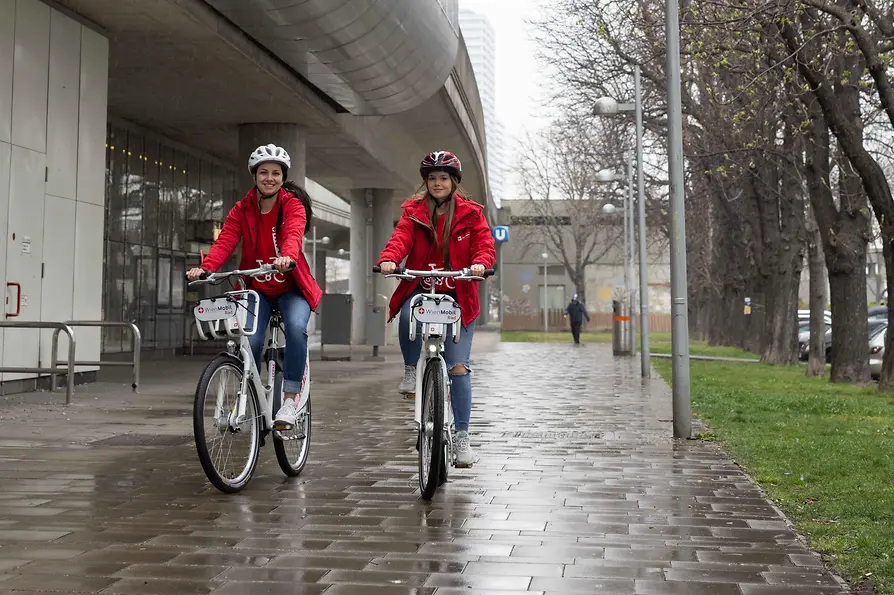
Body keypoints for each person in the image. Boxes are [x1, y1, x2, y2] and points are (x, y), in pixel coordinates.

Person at [187, 144, 322, 431]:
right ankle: (245, 400)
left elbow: (294, 232)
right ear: (254, 176)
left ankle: (290, 397)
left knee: (297, 328)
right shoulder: (242, 208)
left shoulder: (292, 205)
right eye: (263, 173)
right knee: (249, 341)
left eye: (275, 173)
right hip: (257, 290)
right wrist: (207, 268)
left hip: (291, 287)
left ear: (283, 177)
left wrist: (287, 256)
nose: (269, 178)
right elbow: (226, 240)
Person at [377, 150, 496, 468]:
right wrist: (390, 258)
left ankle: (461, 437)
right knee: (406, 313)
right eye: (432, 178)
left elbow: (484, 245)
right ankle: (411, 370)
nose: (438, 183)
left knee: (458, 366)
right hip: (422, 286)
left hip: (459, 293)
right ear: (425, 182)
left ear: (454, 182)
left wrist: (480, 264)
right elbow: (400, 238)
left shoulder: (472, 215)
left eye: (443, 178)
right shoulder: (413, 212)